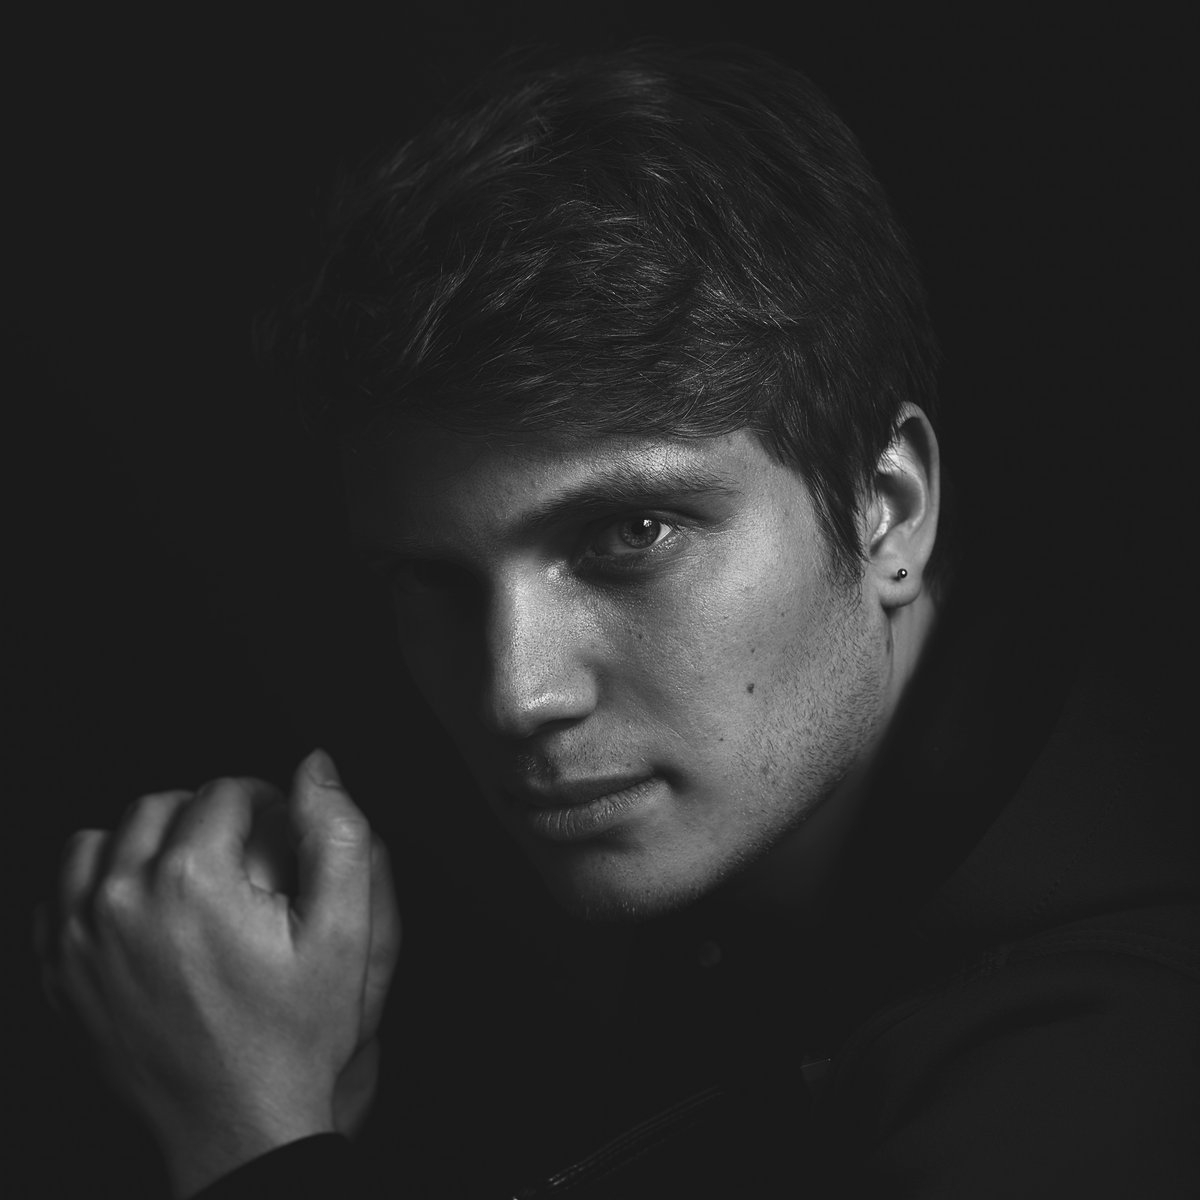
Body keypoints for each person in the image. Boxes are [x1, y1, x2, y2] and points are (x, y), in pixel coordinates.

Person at [36, 42, 1199, 1198]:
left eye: (631, 534)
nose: (516, 694)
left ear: (887, 507)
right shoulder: (748, 877)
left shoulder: (1103, 1065)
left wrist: (249, 1139)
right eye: (433, 580)